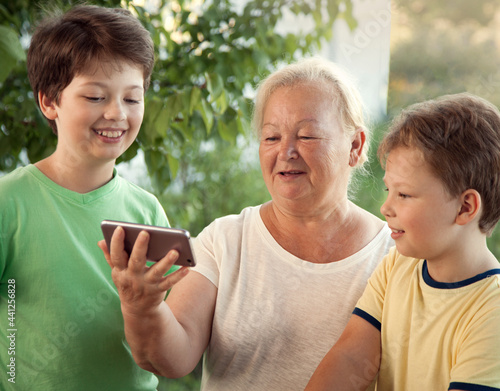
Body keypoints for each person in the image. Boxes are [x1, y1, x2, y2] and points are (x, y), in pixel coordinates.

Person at [100, 57, 394, 390]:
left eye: (307, 136)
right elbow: (171, 360)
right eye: (271, 138)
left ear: (355, 146)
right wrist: (143, 308)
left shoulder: (395, 256)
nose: (286, 151)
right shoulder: (224, 240)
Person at [0, 5, 181, 390]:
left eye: (132, 99)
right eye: (96, 97)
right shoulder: (8, 202)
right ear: (49, 101)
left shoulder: (146, 210)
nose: (117, 113)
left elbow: (166, 337)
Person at [305, 92, 500, 391]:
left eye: (404, 195)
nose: (386, 208)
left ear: (465, 208)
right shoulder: (396, 267)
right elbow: (351, 360)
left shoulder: (492, 312)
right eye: (388, 190)